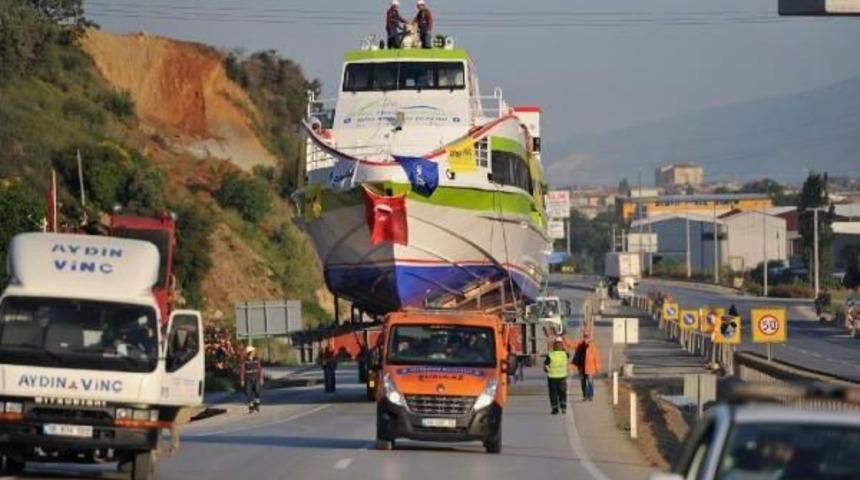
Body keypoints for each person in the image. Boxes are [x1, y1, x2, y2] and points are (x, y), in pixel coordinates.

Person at [572, 333, 601, 401]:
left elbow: (596, 358)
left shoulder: (593, 347)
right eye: (585, 337)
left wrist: (597, 368)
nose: (586, 339)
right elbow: (576, 355)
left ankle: (590, 395)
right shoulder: (580, 345)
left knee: (590, 382)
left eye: (587, 337)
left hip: (590, 368)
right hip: (582, 368)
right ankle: (585, 396)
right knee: (583, 382)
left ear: (590, 338)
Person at [544, 338, 569, 414]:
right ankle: (563, 407)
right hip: (562, 376)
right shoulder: (565, 354)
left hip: (552, 377)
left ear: (554, 346)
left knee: (553, 393)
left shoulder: (550, 355)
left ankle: (555, 409)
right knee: (562, 392)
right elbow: (567, 353)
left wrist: (547, 370)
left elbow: (546, 366)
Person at [240, 345, 263, 413]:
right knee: (248, 393)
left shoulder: (256, 359)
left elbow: (260, 369)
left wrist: (261, 378)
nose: (254, 352)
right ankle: (251, 407)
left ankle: (256, 404)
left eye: (254, 351)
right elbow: (242, 370)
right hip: (248, 379)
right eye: (253, 351)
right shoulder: (245, 361)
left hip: (256, 378)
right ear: (249, 352)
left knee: (257, 392)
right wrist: (242, 380)